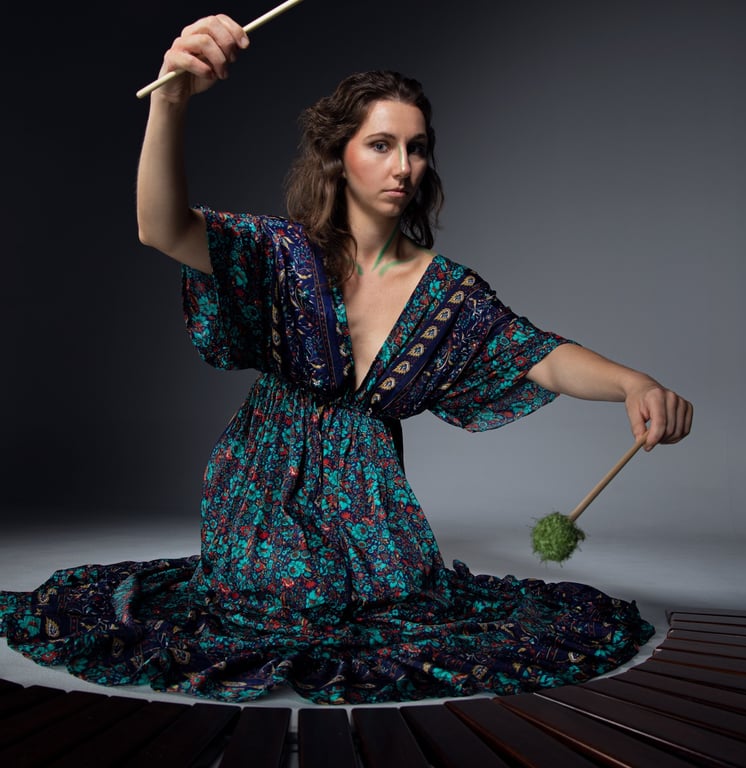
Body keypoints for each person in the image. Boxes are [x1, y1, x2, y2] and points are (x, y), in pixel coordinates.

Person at [0, 14, 692, 705]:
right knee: (294, 598)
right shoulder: (278, 252)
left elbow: (539, 356)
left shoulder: (448, 290)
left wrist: (634, 383)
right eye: (381, 145)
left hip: (372, 502)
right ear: (339, 155)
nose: (403, 167)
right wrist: (171, 102)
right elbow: (161, 227)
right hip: (264, 481)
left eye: (416, 148)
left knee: (401, 608)